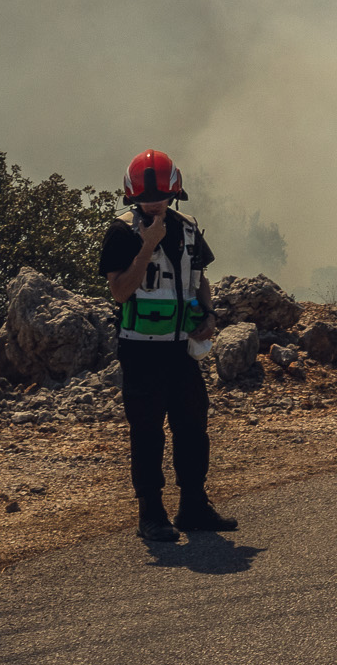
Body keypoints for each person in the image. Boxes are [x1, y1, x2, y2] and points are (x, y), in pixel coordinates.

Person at [99, 149, 237, 542]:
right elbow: (120, 291)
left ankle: (193, 506)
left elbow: (200, 277)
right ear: (132, 196)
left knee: (192, 426)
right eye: (145, 197)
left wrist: (209, 315)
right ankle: (151, 514)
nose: (153, 203)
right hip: (141, 350)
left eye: (160, 195)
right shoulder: (122, 231)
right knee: (147, 432)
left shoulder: (188, 227)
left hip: (181, 349)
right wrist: (148, 246)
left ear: (174, 192)